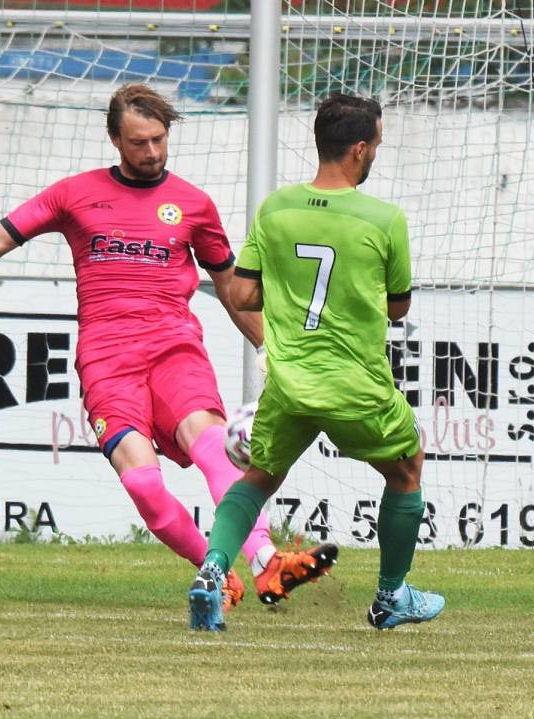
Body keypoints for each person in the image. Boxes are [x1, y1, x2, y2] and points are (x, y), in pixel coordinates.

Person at [0, 83, 337, 617]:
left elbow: (231, 289)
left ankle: (268, 560)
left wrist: (273, 346)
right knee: (145, 487)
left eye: (158, 139)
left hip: (174, 347)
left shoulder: (194, 205)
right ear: (114, 139)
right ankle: (215, 573)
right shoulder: (73, 194)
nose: (151, 152)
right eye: (138, 142)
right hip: (107, 360)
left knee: (214, 450)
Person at [188, 92, 445, 631]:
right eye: (374, 144)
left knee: (258, 478)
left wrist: (290, 293)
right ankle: (391, 597)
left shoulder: (276, 209)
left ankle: (212, 572)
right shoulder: (385, 218)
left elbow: (241, 295)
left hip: (289, 382)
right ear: (358, 148)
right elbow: (398, 307)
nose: (375, 152)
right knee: (408, 467)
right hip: (355, 383)